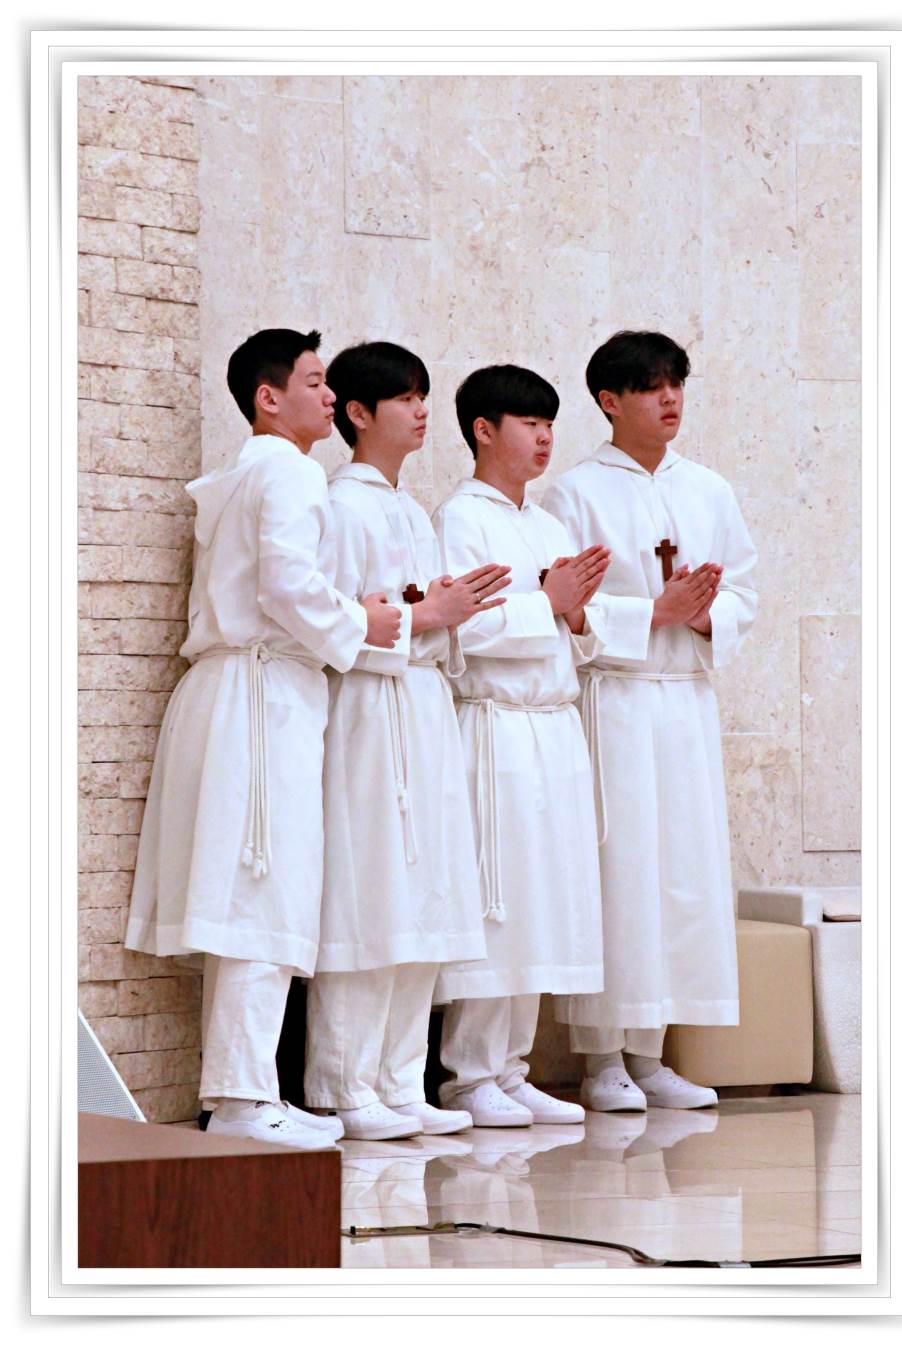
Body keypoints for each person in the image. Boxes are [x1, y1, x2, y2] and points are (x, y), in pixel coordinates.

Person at [123, 328, 402, 1149]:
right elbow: (288, 586)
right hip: (261, 696)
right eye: (313, 382)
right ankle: (243, 1099)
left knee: (253, 890)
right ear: (267, 397)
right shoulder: (289, 471)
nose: (329, 395)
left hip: (239, 691)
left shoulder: (249, 473)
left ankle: (246, 1089)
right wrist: (363, 620)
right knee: (262, 890)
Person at [542, 329, 758, 1112]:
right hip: (617, 701)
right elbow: (563, 610)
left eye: (676, 384)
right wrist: (652, 613)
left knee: (679, 874)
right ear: (609, 401)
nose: (669, 399)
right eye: (650, 387)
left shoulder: (708, 489)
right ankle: (601, 1058)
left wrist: (700, 616)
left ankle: (651, 1053)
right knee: (621, 872)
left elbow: (744, 592)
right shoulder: (574, 493)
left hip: (684, 703)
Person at [304, 341, 511, 1141]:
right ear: (358, 413)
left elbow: (426, 619)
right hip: (367, 712)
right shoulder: (339, 506)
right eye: (405, 398)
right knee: (370, 893)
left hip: (422, 709)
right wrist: (423, 616)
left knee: (425, 892)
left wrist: (447, 614)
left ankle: (399, 1079)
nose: (422, 412)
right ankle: (343, 1085)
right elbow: (329, 625)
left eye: (424, 396)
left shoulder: (412, 511)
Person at [432, 364, 610, 1129]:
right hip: (496, 724)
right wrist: (548, 603)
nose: (543, 438)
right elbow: (463, 630)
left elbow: (575, 639)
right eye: (528, 424)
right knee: (497, 895)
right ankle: (468, 1074)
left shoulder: (546, 524)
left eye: (548, 425)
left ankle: (511, 1067)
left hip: (551, 724)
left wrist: (576, 617)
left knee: (542, 893)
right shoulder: (458, 519)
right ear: (483, 430)